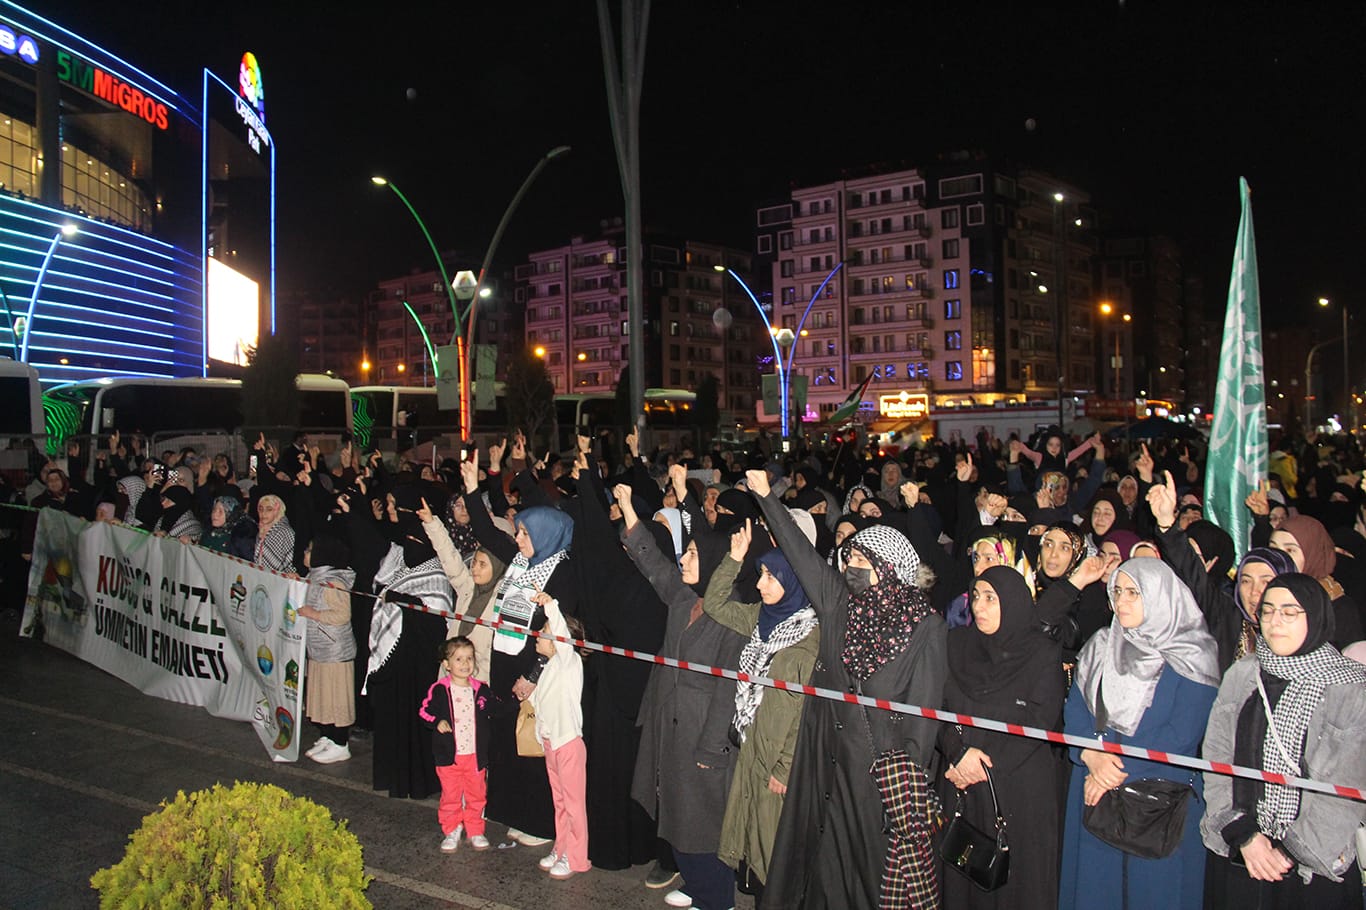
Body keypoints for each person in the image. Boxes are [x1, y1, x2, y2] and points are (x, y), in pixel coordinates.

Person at [746, 469, 947, 910]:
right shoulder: (840, 605)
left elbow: (924, 714)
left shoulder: (925, 627)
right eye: (849, 559)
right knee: (818, 868)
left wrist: (905, 785)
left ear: (889, 568)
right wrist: (766, 498)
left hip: (876, 775)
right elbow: (803, 556)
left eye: (862, 562)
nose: (849, 568)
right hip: (824, 757)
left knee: (867, 877)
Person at [1059, 557, 1222, 910]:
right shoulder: (1102, 644)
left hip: (1157, 797)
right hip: (1095, 785)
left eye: (1135, 592)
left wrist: (1111, 774)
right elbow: (1076, 709)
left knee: (1155, 894)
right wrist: (1091, 755)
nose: (1122, 600)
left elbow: (1181, 734)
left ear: (1162, 595)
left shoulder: (1194, 654)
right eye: (1117, 591)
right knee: (1095, 889)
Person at [1201, 574, 1366, 909]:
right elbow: (1216, 758)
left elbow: (1345, 787)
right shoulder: (1243, 675)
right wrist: (1243, 834)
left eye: (1290, 612)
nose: (1275, 622)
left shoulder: (1348, 687)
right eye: (1268, 611)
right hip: (1243, 849)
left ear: (1317, 616)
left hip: (1311, 866)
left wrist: (1288, 851)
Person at [618, 477, 744, 910]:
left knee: (702, 822)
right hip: (669, 722)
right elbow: (653, 564)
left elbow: (728, 689)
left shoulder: (732, 618)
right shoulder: (683, 598)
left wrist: (711, 746)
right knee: (674, 811)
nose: (684, 559)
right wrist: (631, 515)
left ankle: (715, 898)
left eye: (691, 553)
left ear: (711, 561)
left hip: (701, 735)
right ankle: (695, 884)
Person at [704, 521, 819, 905]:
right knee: (752, 840)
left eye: (771, 577)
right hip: (752, 745)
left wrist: (785, 767)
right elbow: (715, 604)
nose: (760, 584)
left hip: (776, 763)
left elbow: (807, 711)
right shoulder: (761, 620)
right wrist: (734, 558)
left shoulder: (807, 639)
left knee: (775, 850)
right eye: (761, 575)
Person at [939, 565, 1065, 909]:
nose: (979, 606)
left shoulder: (1041, 652)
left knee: (1013, 886)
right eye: (976, 596)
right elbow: (935, 705)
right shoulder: (957, 643)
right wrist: (958, 753)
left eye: (991, 598)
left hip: (1015, 788)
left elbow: (1041, 720)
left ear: (1014, 602)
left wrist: (982, 765)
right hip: (962, 781)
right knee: (963, 877)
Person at [529, 591, 590, 880]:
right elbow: (543, 705)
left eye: (544, 631)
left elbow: (563, 636)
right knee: (560, 802)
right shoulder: (548, 667)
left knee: (574, 804)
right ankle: (561, 846)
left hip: (568, 745)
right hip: (552, 745)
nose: (537, 636)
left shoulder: (569, 662)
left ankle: (576, 857)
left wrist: (551, 605)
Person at [420, 636, 496, 853]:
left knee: (476, 794)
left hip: (474, 756)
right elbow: (424, 712)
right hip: (449, 757)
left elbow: (494, 709)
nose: (465, 664)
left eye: (470, 659)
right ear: (446, 664)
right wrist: (437, 722)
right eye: (459, 659)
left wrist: (515, 700)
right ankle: (452, 828)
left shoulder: (481, 689)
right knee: (451, 795)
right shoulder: (439, 690)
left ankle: (475, 829)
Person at [298, 534, 357, 765]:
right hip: (319, 648)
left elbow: (343, 615)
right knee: (323, 695)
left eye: (310, 550)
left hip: (334, 651)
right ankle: (327, 736)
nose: (305, 553)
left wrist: (314, 614)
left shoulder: (333, 582)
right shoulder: (315, 577)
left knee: (336, 697)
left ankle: (341, 743)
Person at [253, 494, 296, 574]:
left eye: (269, 509)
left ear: (277, 511)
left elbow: (290, 562)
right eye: (261, 509)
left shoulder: (285, 532)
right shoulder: (261, 529)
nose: (263, 513)